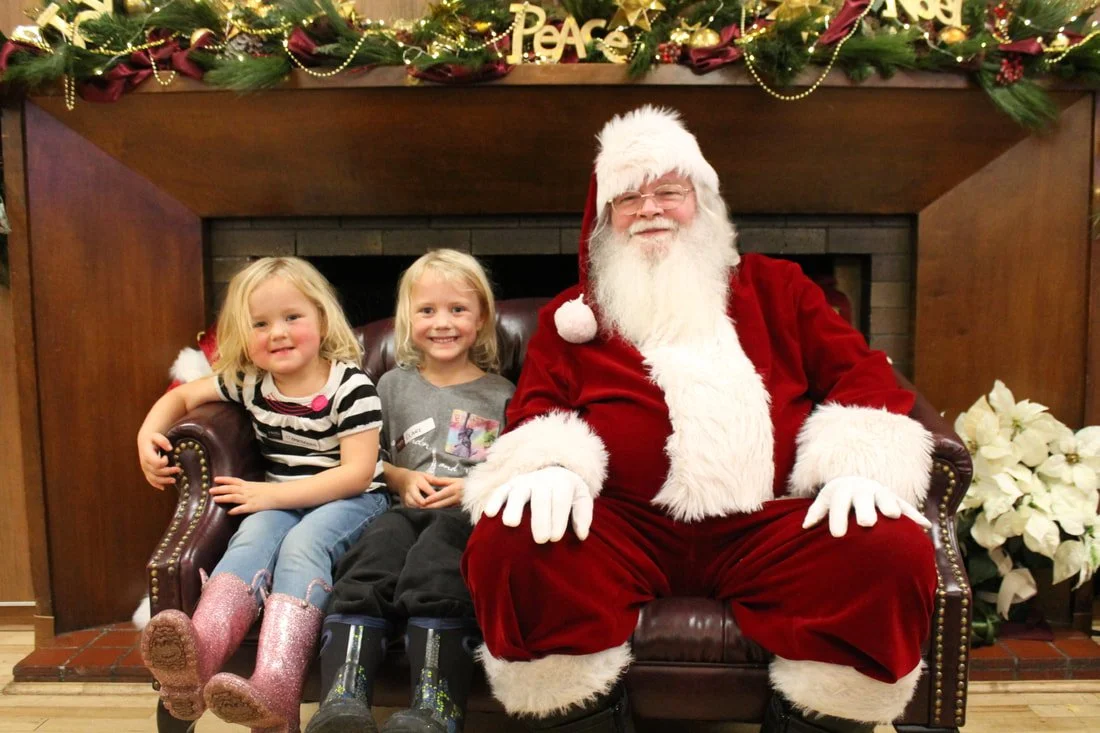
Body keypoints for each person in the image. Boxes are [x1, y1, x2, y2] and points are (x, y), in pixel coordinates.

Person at [459, 106, 938, 733]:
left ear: (702, 202)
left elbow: (864, 375)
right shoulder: (571, 319)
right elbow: (537, 406)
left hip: (766, 526)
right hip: (622, 529)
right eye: (628, 198)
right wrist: (549, 464)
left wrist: (859, 466)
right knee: (512, 538)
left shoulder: (780, 288)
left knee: (890, 549)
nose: (650, 209)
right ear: (605, 219)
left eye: (668, 192)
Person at [137, 256, 389, 733]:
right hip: (279, 499)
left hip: (353, 501)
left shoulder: (351, 387)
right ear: (242, 334)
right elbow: (182, 397)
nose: (278, 332)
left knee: (300, 547)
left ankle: (276, 681)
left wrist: (272, 496)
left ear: (321, 318)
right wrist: (147, 433)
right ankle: (199, 655)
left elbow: (357, 474)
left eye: (293, 317)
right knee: (251, 537)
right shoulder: (251, 383)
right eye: (260, 323)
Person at [306, 249, 515, 733]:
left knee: (437, 569)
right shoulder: (389, 387)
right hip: (400, 509)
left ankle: (435, 707)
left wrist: (473, 487)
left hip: (465, 514)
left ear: (481, 318)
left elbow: (514, 466)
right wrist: (400, 477)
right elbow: (362, 458)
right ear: (408, 319)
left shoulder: (502, 393)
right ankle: (344, 696)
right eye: (427, 311)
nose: (443, 323)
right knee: (370, 559)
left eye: (457, 310)